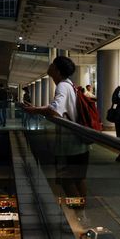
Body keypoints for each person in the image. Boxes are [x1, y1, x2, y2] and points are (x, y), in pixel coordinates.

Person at [22, 56, 89, 207]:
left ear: (57, 70)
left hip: (69, 144)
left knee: (66, 179)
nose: (50, 66)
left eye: (52, 64)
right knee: (78, 178)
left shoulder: (62, 86)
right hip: (79, 142)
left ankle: (78, 210)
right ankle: (83, 210)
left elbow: (55, 109)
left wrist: (35, 110)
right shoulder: (70, 85)